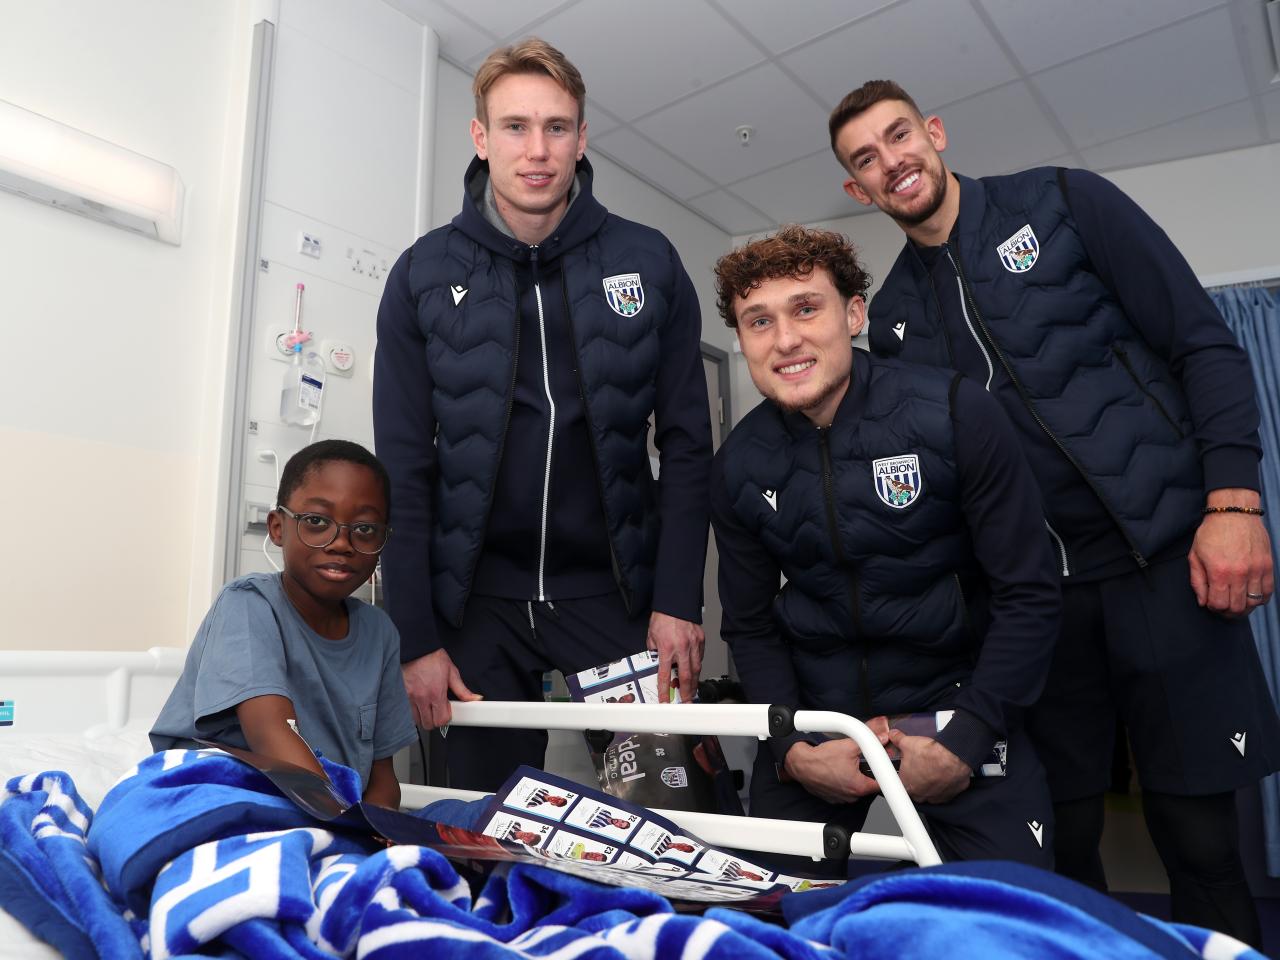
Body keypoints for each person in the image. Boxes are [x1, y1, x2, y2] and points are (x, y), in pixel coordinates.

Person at [828, 79, 1280, 943]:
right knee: (1059, 847)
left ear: (934, 132)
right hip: (1036, 614)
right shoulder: (890, 324)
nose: (892, 162)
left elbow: (1202, 343)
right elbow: (930, 507)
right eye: (867, 159)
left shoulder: (1066, 203)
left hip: (1164, 569)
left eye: (899, 136)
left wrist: (1233, 502)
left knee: (1199, 839)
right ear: (859, 188)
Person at [373, 38, 712, 792]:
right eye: (516, 126)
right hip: (474, 608)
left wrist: (677, 600)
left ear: (582, 138)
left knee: (663, 812)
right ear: (481, 137)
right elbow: (403, 466)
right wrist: (414, 637)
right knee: (480, 826)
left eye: (556, 127)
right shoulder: (422, 275)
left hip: (614, 599)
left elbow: (689, 445)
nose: (537, 149)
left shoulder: (649, 261)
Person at [710, 225, 1061, 872]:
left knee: (1007, 912)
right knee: (769, 912)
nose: (785, 340)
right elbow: (750, 626)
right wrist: (791, 747)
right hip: (818, 720)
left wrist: (969, 735)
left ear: (853, 315)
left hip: (961, 705)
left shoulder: (955, 413)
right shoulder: (737, 465)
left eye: (806, 309)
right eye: (759, 321)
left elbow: (1029, 592)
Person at [151, 440, 417, 809]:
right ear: (277, 528)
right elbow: (269, 733)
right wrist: (342, 821)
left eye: (365, 529)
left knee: (468, 816)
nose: (342, 543)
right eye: (317, 522)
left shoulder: (379, 633)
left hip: (331, 807)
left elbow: (382, 776)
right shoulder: (248, 603)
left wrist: (375, 829)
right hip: (233, 796)